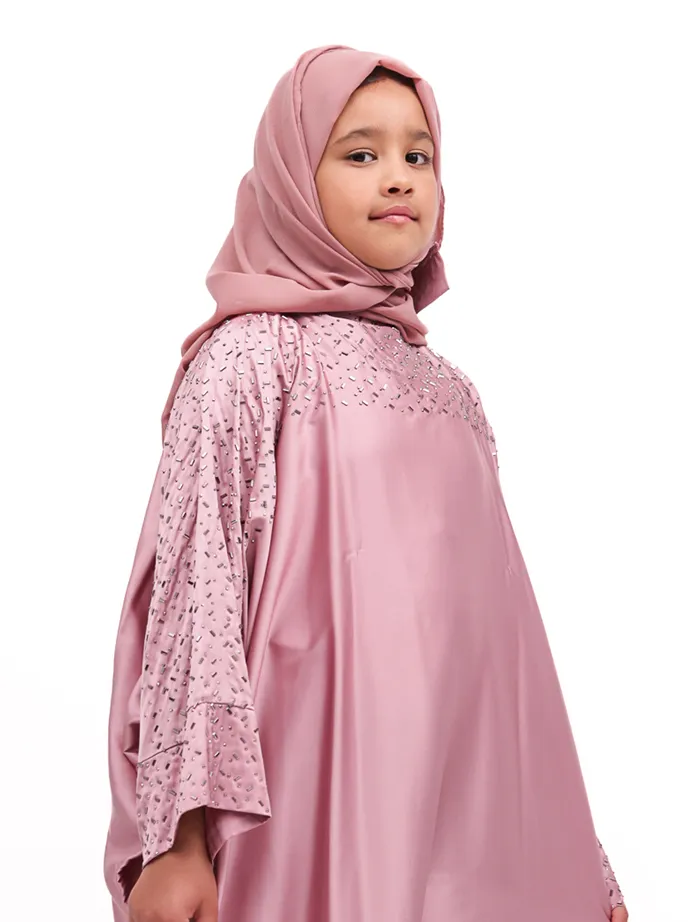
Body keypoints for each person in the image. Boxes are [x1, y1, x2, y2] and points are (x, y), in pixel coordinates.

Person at [103, 44, 628, 922]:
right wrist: (181, 841)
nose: (398, 176)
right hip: (307, 797)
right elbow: (197, 592)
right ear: (292, 180)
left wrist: (586, 861)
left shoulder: (453, 394)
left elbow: (508, 649)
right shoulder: (250, 359)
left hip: (461, 817)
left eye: (419, 155)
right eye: (359, 153)